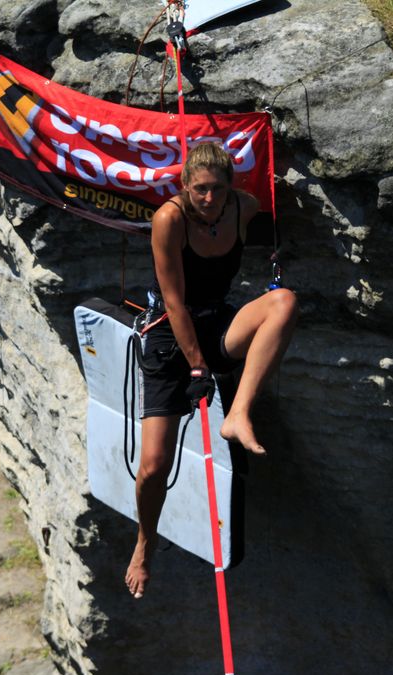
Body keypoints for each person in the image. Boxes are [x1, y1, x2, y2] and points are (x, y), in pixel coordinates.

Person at [125, 142, 298, 599]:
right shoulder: (169, 219)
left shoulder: (244, 208)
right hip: (168, 335)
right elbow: (174, 301)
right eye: (200, 189)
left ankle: (238, 413)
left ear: (231, 187)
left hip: (216, 320)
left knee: (284, 302)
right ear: (184, 187)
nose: (208, 198)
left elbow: (265, 209)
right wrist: (198, 367)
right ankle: (145, 541)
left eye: (217, 189)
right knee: (153, 467)